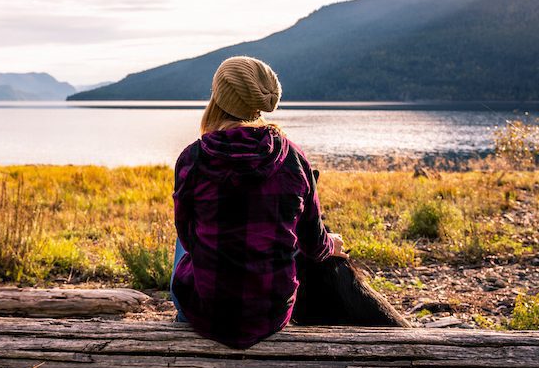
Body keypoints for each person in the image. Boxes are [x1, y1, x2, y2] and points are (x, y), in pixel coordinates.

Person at [170, 56, 403, 350]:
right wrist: (331, 244)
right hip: (271, 315)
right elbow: (313, 245)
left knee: (184, 241)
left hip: (209, 314)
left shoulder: (192, 158)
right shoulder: (293, 157)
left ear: (218, 98)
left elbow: (188, 236)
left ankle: (185, 323)